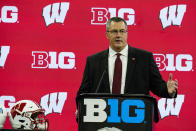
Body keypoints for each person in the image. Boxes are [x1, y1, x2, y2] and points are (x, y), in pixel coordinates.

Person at [75, 17, 178, 118]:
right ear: (107, 34)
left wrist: (168, 90)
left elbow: (157, 86)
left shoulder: (144, 58)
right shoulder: (93, 61)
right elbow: (83, 92)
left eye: (122, 31)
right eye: (114, 31)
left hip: (134, 118)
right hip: (103, 118)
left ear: (127, 34)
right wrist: (81, 108)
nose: (118, 35)